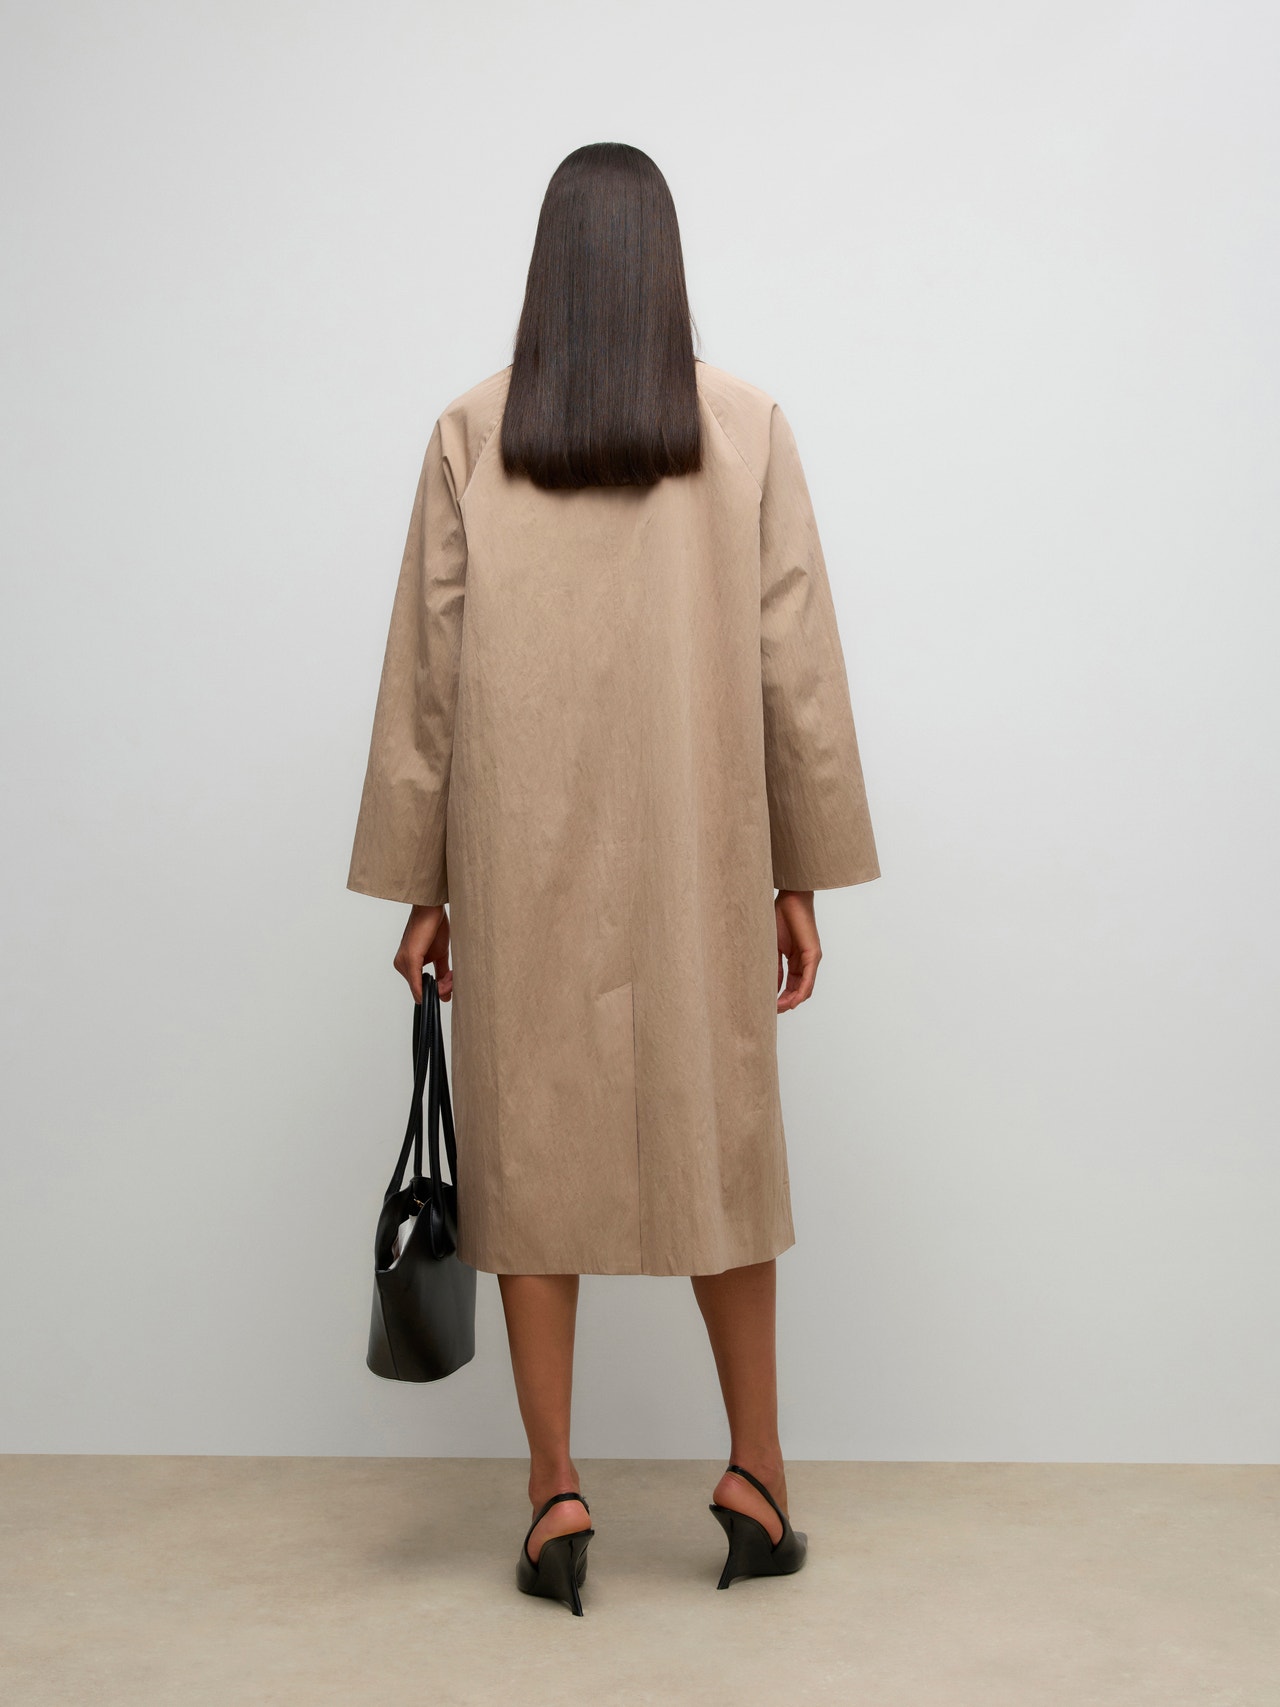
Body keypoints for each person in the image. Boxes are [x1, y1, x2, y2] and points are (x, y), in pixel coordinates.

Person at [346, 141, 880, 1614]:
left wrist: (426, 886)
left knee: (529, 1156)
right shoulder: (746, 425)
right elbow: (793, 664)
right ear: (664, 266)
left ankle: (554, 1495)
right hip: (703, 850)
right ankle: (757, 1477)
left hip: (518, 855)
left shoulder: (473, 430)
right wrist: (800, 871)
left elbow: (430, 678)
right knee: (723, 1143)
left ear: (549, 271)